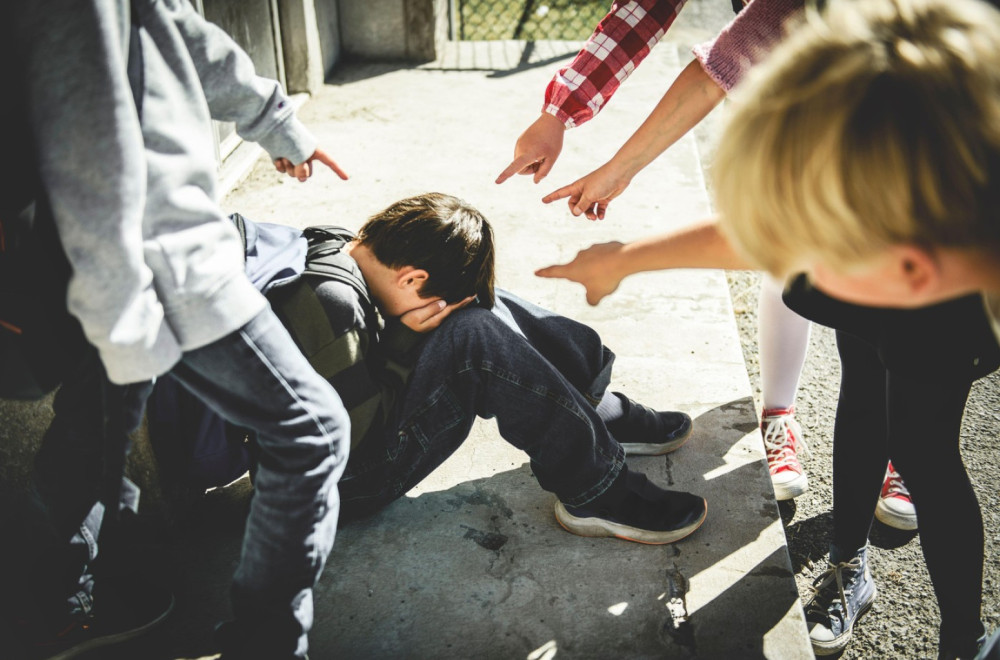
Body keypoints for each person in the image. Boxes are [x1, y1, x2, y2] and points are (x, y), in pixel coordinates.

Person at [540, 0, 1000, 655]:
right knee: (864, 393)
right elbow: (771, 231)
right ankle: (848, 564)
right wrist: (623, 258)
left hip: (943, 277)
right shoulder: (847, 98)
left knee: (925, 447)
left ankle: (965, 637)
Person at [7, 1, 352, 658]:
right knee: (312, 430)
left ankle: (45, 608)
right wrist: (122, 309)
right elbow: (83, 127)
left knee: (91, 433)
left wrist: (272, 119)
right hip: (153, 254)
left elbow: (170, 23)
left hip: (124, 257)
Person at [492, 0, 913, 516]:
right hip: (808, 102)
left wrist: (624, 258)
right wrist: (567, 120)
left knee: (900, 305)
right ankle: (782, 417)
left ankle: (910, 444)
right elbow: (710, 61)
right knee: (801, 269)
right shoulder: (778, 28)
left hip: (917, 138)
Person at [151, 192, 708, 547]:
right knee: (472, 333)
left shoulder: (343, 245)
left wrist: (417, 325)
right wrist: (403, 341)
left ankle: (591, 406)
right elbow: (351, 440)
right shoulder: (329, 304)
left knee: (476, 308)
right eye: (429, 294)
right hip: (338, 483)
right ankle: (596, 490)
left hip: (340, 433)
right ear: (413, 277)